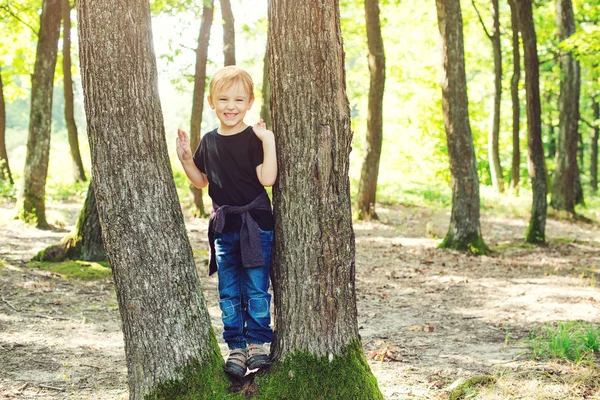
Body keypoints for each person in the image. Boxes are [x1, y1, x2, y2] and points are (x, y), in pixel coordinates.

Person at [175, 66, 277, 380]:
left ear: (249, 102)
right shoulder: (209, 141)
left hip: (255, 223)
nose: (230, 106)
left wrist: (268, 140)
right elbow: (201, 181)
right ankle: (236, 347)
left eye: (238, 99)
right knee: (229, 290)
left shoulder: (253, 138)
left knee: (257, 288)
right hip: (225, 227)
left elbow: (268, 178)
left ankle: (258, 342)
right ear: (211, 102)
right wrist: (185, 160)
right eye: (223, 99)